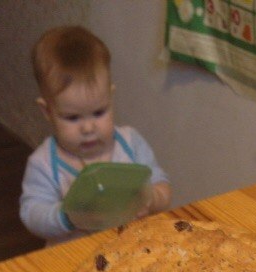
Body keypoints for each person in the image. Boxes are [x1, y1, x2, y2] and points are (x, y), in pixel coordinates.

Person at [20, 25, 171, 243]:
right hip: (72, 257)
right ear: (48, 112)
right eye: (72, 118)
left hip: (130, 249)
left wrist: (151, 199)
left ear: (110, 98)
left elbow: (161, 183)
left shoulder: (130, 143)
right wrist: (67, 216)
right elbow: (31, 214)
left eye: (99, 112)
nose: (88, 128)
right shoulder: (44, 163)